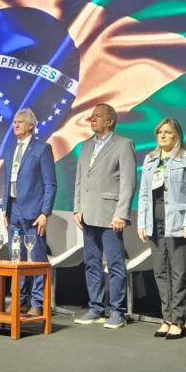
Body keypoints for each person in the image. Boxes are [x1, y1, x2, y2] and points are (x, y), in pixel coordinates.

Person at [73, 103, 137, 329]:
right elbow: (79, 180)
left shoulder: (123, 144)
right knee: (92, 264)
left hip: (111, 215)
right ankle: (96, 308)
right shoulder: (85, 146)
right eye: (92, 116)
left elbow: (128, 183)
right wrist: (77, 208)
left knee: (115, 264)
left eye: (98, 116)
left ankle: (118, 311)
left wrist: (121, 213)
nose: (92, 119)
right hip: (87, 214)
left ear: (110, 121)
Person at [137, 118, 186, 339]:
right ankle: (166, 318)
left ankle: (178, 320)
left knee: (178, 273)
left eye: (167, 132)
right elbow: (143, 194)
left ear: (177, 136)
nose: (162, 136)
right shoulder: (150, 159)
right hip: (155, 222)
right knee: (160, 272)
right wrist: (142, 223)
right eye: (159, 132)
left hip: (179, 222)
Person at [3, 108, 57, 316]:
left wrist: (45, 213)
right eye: (14, 122)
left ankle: (38, 302)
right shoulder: (10, 150)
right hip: (13, 209)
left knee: (36, 257)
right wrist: (5, 208)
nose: (15, 125)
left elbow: (50, 184)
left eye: (20, 122)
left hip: (34, 212)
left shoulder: (42, 149)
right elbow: (7, 181)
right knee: (16, 256)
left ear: (31, 126)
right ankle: (19, 299)